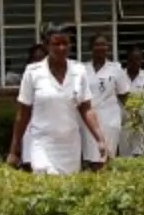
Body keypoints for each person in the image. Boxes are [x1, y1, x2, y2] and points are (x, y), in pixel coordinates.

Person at [8, 25, 110, 174]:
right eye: (56, 44)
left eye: (66, 43)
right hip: (42, 143)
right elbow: (23, 113)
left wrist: (100, 139)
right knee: (47, 178)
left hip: (70, 145)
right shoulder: (33, 73)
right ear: (46, 45)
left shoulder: (79, 70)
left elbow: (86, 108)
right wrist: (14, 149)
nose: (62, 48)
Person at [81, 33, 130, 173]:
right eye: (97, 44)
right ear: (91, 47)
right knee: (91, 158)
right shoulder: (83, 69)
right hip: (89, 120)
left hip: (110, 119)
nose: (101, 47)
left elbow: (124, 95)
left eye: (104, 44)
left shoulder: (116, 68)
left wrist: (133, 115)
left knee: (106, 157)